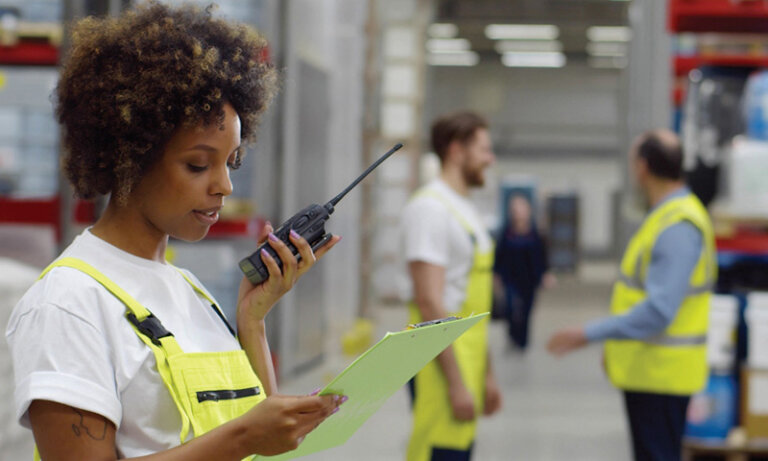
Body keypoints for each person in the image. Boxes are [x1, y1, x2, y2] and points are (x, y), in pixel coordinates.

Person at [5, 4, 345, 460]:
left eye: (232, 163)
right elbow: (241, 439)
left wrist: (253, 322)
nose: (224, 186)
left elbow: (262, 444)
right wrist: (242, 437)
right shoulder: (68, 303)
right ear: (130, 154)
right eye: (198, 165)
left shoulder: (190, 290)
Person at [547, 129, 717, 461]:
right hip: (650, 372)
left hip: (662, 377)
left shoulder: (677, 225)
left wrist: (588, 333)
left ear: (642, 167)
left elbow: (659, 311)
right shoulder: (667, 215)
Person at [401, 111, 502, 461]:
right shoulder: (430, 209)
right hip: (440, 365)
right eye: (484, 150)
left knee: (458, 450)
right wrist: (457, 384)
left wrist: (486, 374)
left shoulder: (464, 208)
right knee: (438, 450)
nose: (490, 159)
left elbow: (475, 306)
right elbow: (430, 303)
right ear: (457, 150)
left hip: (467, 355)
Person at [493, 194, 553, 351]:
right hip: (510, 278)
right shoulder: (506, 233)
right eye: (515, 209)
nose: (518, 212)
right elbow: (499, 255)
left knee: (526, 310)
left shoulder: (536, 233)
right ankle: (512, 336)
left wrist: (546, 274)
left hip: (529, 278)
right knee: (511, 308)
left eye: (521, 208)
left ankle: (522, 341)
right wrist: (496, 275)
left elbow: (543, 255)